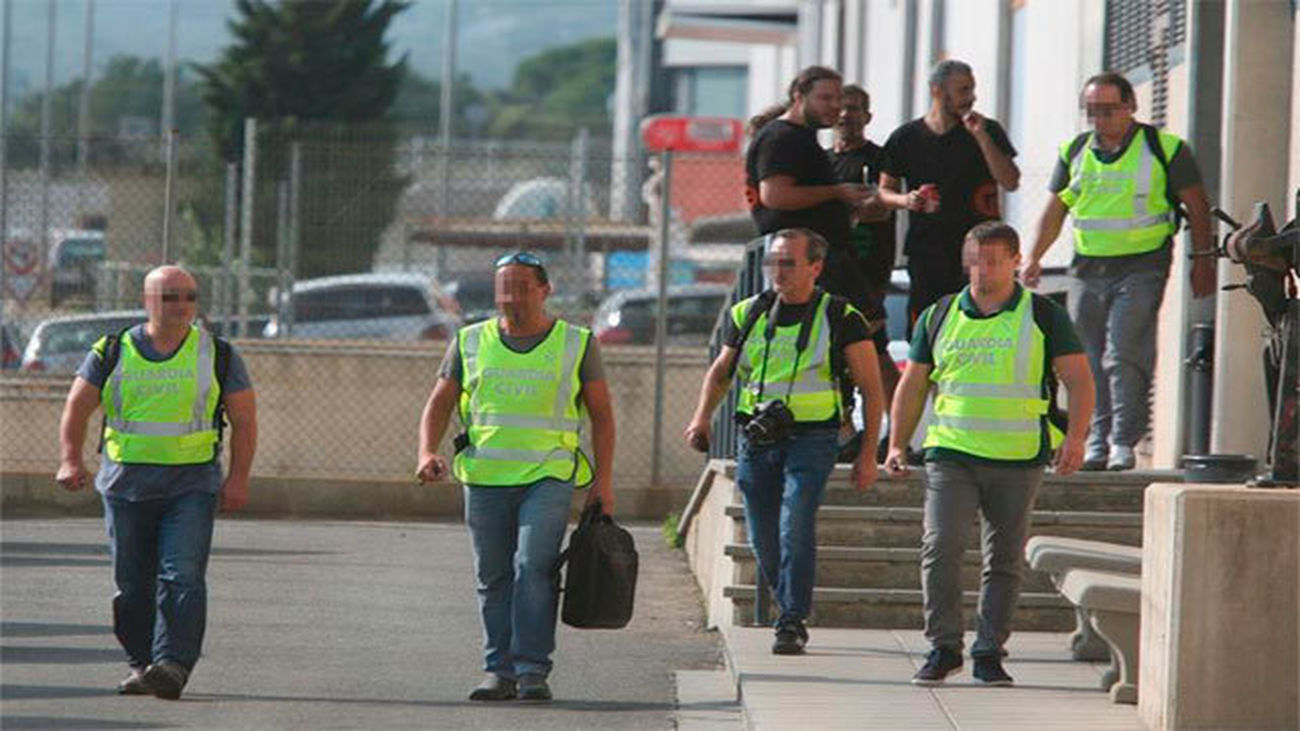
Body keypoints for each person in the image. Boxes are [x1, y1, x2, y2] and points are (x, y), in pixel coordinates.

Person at [885, 221, 1094, 686]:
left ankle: (988, 651)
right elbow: (914, 382)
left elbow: (1079, 380)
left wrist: (1076, 437)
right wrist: (898, 442)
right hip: (951, 452)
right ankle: (943, 646)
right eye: (975, 261)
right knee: (940, 546)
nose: (982, 271)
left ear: (1016, 262)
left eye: (994, 260)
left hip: (1018, 457)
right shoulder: (940, 315)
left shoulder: (1043, 315)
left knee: (1003, 559)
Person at [416, 252, 615, 703]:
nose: (512, 296)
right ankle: (498, 670)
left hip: (548, 475)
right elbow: (438, 403)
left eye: (523, 286)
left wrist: (603, 483)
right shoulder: (468, 341)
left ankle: (531, 669)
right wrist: (426, 451)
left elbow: (603, 416)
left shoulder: (576, 343)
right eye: (504, 287)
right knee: (493, 576)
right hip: (485, 478)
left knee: (533, 567)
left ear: (545, 291)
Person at [55, 265, 258, 700]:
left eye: (189, 296)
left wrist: (238, 478)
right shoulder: (112, 350)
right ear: (148, 302)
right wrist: (70, 461)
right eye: (170, 297)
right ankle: (143, 663)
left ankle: (173, 665)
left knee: (182, 576)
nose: (182, 305)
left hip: (192, 486)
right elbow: (77, 407)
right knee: (133, 583)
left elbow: (244, 418)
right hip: (125, 486)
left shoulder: (218, 354)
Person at [684, 228, 885, 655]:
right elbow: (721, 373)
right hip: (758, 436)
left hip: (814, 436)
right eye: (773, 262)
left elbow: (871, 386)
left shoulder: (841, 316)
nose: (777, 271)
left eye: (788, 262)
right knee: (761, 535)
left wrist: (868, 454)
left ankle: (791, 619)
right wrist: (702, 417)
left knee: (795, 522)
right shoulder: (749, 313)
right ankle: (787, 603)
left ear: (816, 267)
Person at [1023, 71, 1216, 471]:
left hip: (1143, 265)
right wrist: (1033, 256)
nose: (1100, 119)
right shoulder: (1075, 151)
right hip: (1087, 269)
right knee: (1086, 355)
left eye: (1108, 110)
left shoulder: (1164, 148)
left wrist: (1203, 261)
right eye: (1092, 111)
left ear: (1131, 106)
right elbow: (1055, 211)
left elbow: (1197, 206)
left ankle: (1123, 441)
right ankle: (1096, 437)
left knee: (1124, 350)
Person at [878, 60, 1021, 335]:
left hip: (981, 253)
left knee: (981, 328)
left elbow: (1010, 180)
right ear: (938, 91)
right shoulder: (906, 138)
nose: (971, 98)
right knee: (928, 332)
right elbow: (884, 192)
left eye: (972, 90)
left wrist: (981, 137)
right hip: (928, 251)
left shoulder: (987, 130)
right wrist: (908, 200)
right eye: (963, 90)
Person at [744, 65, 876, 302]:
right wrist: (837, 192)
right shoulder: (782, 138)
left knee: (864, 324)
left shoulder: (801, 137)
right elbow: (775, 195)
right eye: (825, 98)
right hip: (802, 260)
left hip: (821, 257)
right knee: (859, 326)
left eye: (838, 98)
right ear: (799, 97)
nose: (835, 106)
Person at [828, 83, 903, 439]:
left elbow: (879, 207)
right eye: (842, 107)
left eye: (855, 108)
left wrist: (840, 207)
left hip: (867, 273)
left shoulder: (879, 158)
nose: (847, 115)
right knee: (832, 356)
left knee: (877, 353)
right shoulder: (823, 163)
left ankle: (899, 432)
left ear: (867, 116)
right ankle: (842, 432)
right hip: (829, 273)